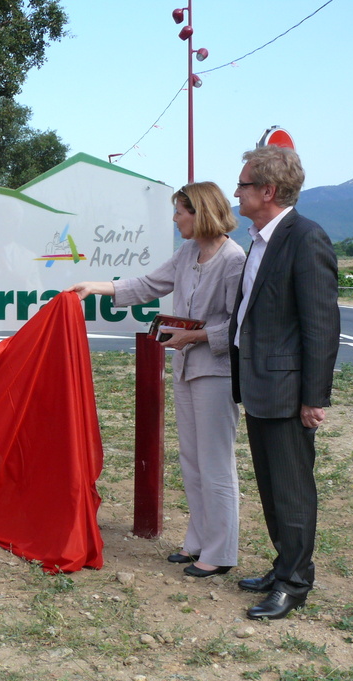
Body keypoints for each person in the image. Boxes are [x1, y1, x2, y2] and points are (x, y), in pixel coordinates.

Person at [69, 183, 246, 579]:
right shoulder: (188, 253)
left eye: (180, 211)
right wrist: (96, 286)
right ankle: (199, 541)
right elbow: (149, 285)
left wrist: (194, 337)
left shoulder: (235, 260)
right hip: (186, 367)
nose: (174, 218)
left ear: (199, 212)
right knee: (192, 459)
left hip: (215, 371)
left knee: (215, 462)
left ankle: (220, 551)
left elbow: (239, 325)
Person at [230, 146, 339, 620]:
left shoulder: (305, 238)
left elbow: (320, 325)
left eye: (243, 185)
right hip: (259, 384)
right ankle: (282, 567)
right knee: (273, 487)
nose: (237, 192)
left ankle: (294, 583)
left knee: (292, 490)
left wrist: (314, 398)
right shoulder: (260, 238)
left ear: (268, 191)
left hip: (288, 390)